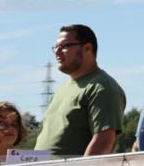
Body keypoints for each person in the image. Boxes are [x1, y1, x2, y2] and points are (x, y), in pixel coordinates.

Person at [35, 25, 126, 157]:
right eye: (56, 47)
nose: (57, 52)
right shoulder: (62, 88)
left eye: (65, 46)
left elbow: (103, 143)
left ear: (87, 48)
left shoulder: (102, 87)